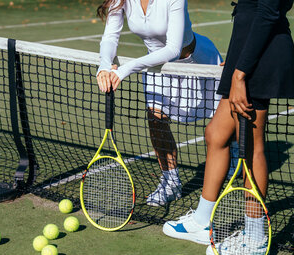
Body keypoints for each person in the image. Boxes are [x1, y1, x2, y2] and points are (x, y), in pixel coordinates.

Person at [163, 0, 294, 255]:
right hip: (245, 55)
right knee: (216, 134)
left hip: (258, 60)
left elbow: (268, 13)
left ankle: (256, 241)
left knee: (252, 147)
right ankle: (202, 222)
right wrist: (236, 60)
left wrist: (240, 74)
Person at [95, 0, 238, 207]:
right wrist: (105, 66)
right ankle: (171, 182)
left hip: (196, 62)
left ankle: (233, 151)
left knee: (222, 120)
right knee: (155, 119)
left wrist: (127, 68)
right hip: (156, 66)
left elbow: (173, 49)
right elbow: (110, 36)